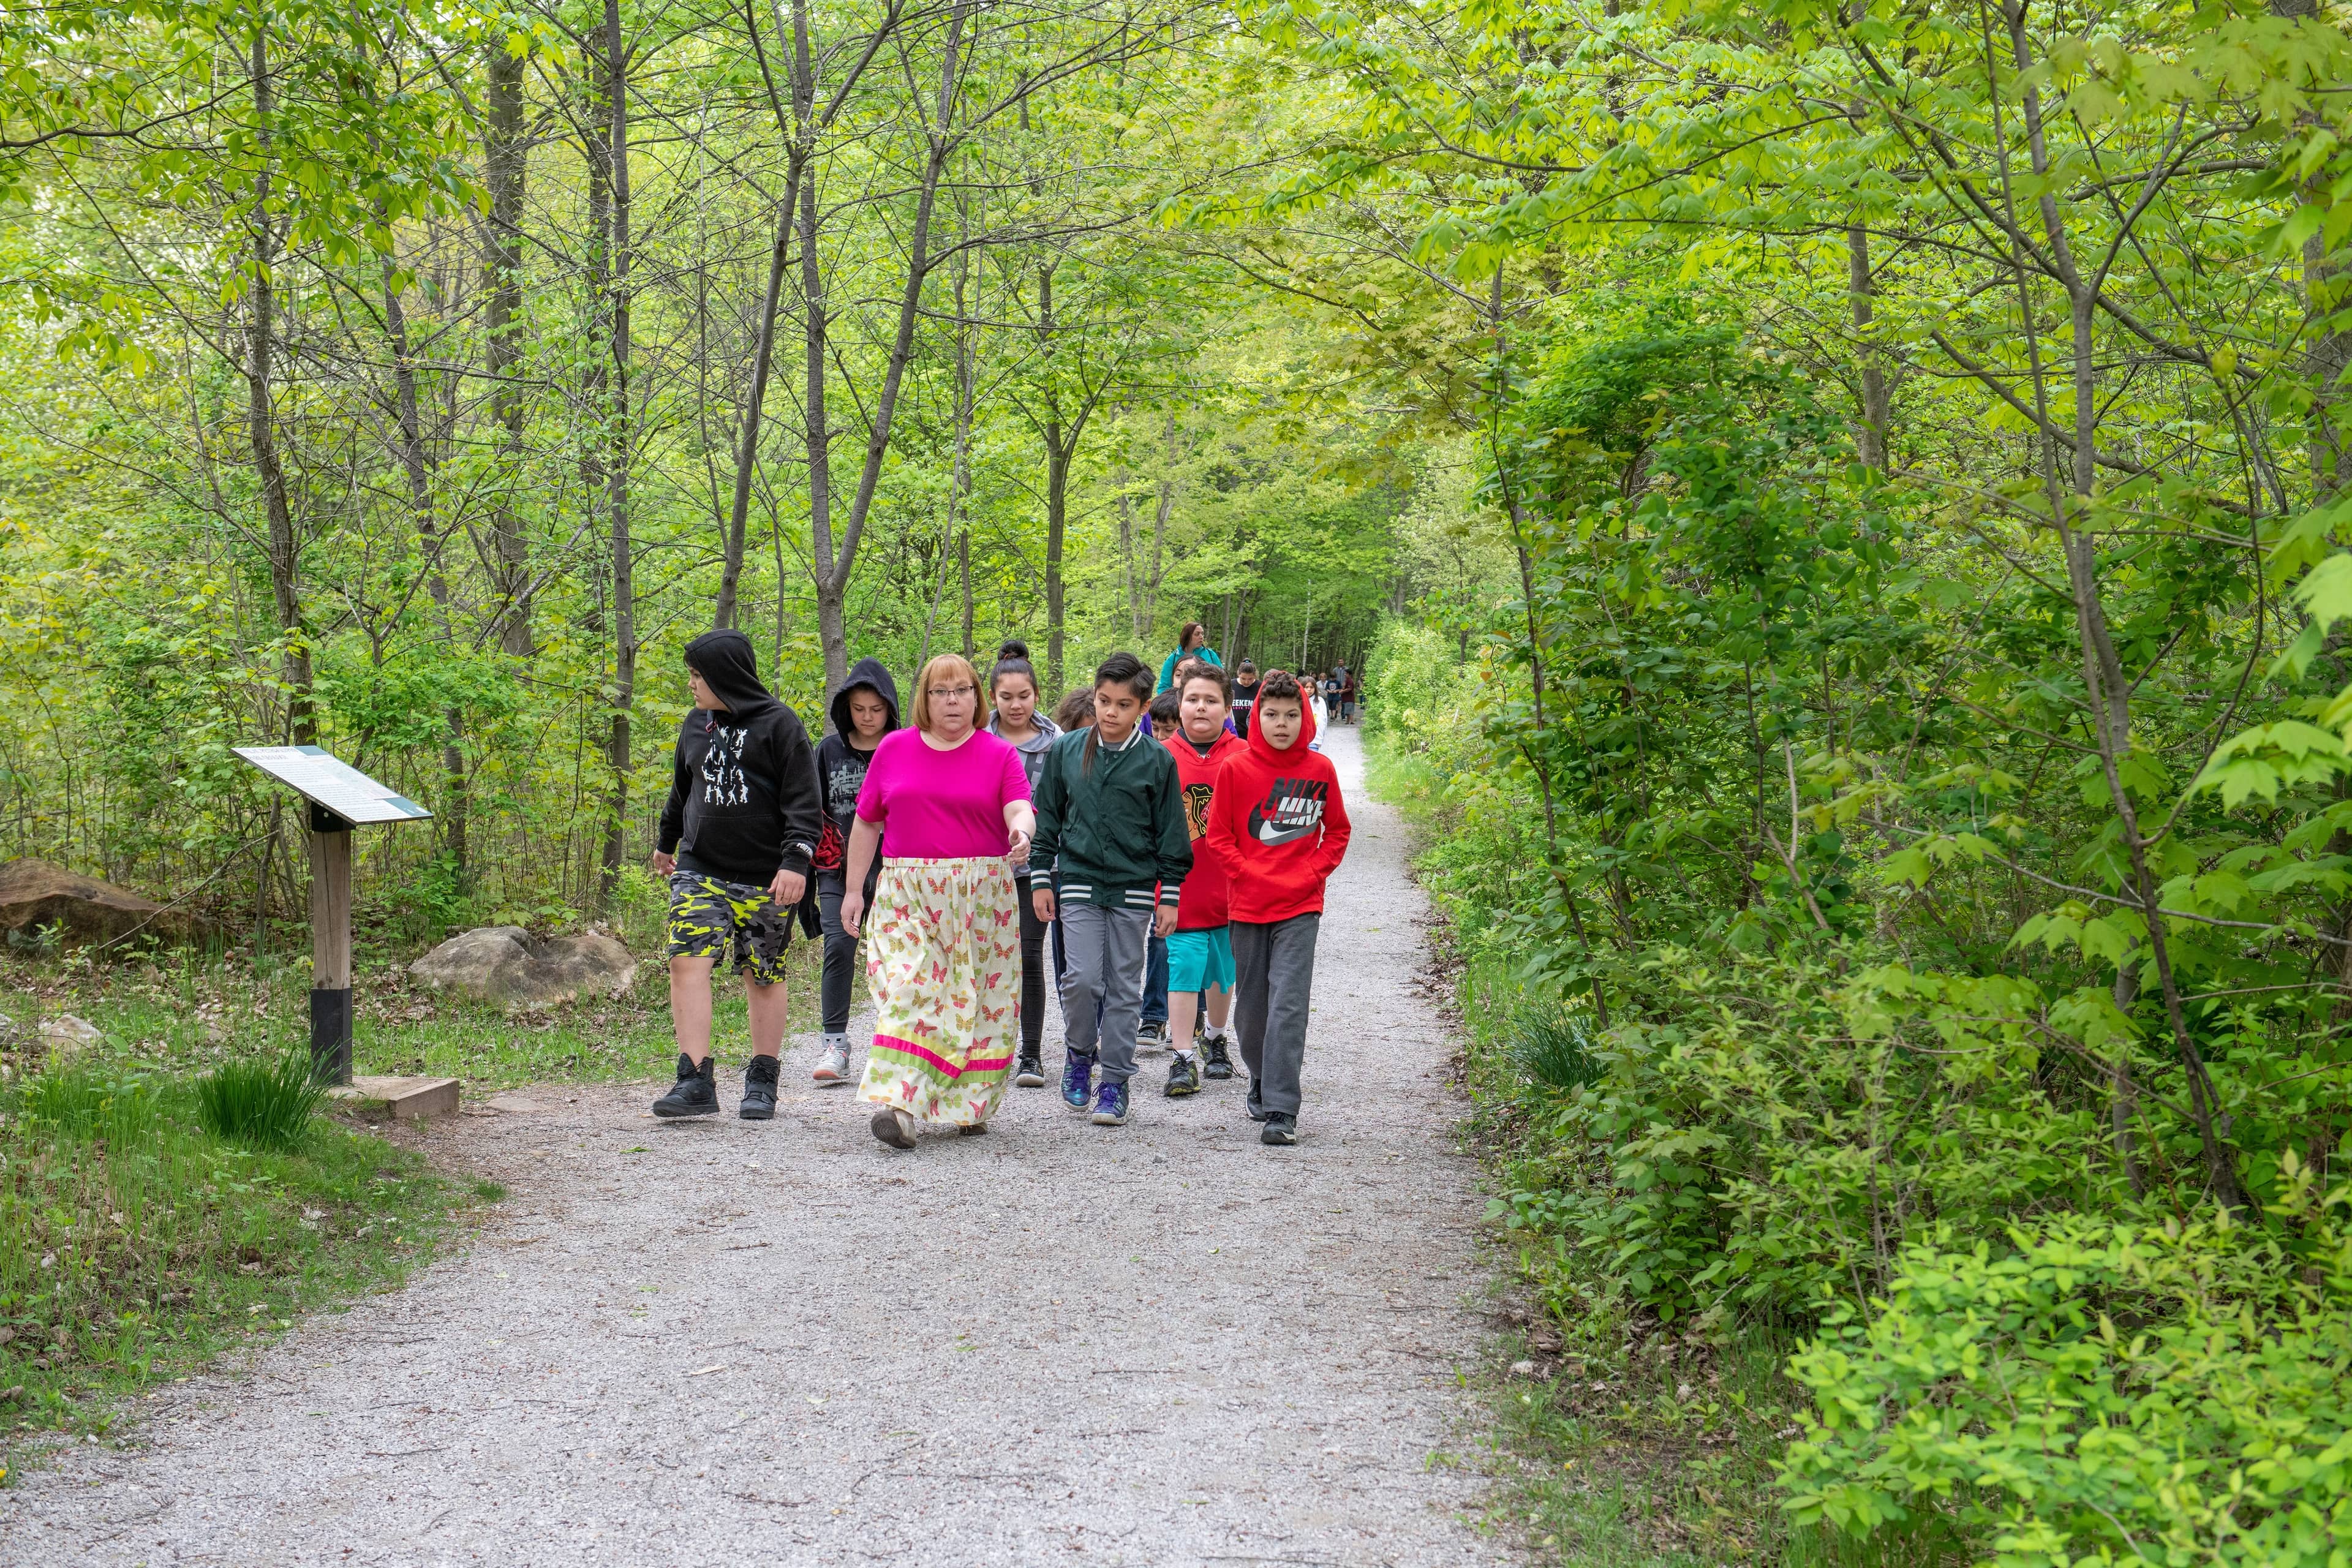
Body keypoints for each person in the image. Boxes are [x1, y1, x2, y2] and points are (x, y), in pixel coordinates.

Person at [839, 654, 1035, 1149]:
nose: (952, 701)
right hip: (907, 892)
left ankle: (968, 1103)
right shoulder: (893, 749)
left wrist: (1020, 832)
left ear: (977, 698)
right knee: (911, 987)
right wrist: (851, 890)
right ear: (923, 700)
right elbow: (867, 822)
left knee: (981, 999)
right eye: (940, 692)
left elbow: (1019, 805)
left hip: (981, 894)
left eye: (962, 691)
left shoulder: (998, 754)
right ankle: (900, 1104)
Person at [649, 630, 824, 1121]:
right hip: (700, 867)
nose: (692, 685)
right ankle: (694, 1079)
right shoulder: (694, 724)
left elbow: (804, 804)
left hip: (767, 876)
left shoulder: (781, 725)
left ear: (725, 677)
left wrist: (796, 862)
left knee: (762, 973)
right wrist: (668, 842)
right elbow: (682, 790)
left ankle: (763, 1077)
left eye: (698, 676)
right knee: (687, 960)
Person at [1028, 652, 1191, 1128]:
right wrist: (1041, 877)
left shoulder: (1157, 761)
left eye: (1123, 704)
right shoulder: (1067, 751)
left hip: (1134, 888)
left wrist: (1171, 893)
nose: (1110, 712)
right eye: (1103, 701)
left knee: (1122, 987)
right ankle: (1080, 1054)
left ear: (1141, 709)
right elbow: (1049, 820)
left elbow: (1172, 834)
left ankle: (1115, 1081)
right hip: (1076, 881)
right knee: (1080, 980)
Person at [1203, 670, 1351, 1146]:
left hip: (1301, 906)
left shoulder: (1319, 771)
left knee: (1288, 1005)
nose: (1281, 724)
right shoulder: (1236, 769)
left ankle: (1282, 1109)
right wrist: (1247, 874)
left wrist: (1312, 874)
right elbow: (1219, 837)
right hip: (1247, 906)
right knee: (1252, 1011)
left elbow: (1339, 832)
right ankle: (1261, 1077)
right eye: (1271, 714)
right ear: (1256, 716)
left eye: (1291, 715)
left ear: (1304, 717)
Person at [808, 658, 900, 1084]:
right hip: (835, 869)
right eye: (859, 709)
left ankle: (896, 1042)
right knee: (840, 946)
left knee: (897, 957)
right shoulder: (827, 751)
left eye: (876, 710)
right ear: (847, 708)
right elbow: (810, 809)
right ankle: (835, 1045)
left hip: (895, 870)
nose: (867, 717)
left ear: (890, 709)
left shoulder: (902, 746)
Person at [1159, 658, 1246, 1095]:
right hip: (1179, 888)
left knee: (1222, 971)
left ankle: (1214, 1037)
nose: (1200, 708)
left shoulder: (1244, 755)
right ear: (1179, 704)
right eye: (1192, 699)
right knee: (1183, 966)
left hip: (1231, 887)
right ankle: (1181, 1056)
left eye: (1211, 701)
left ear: (1227, 708)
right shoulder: (1161, 757)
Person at [986, 641, 1061, 1088]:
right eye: (1006, 697)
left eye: (1024, 696)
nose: (1016, 705)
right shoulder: (977, 741)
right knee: (985, 959)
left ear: (1037, 694)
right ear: (992, 697)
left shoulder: (1058, 745)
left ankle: (1030, 1056)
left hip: (1039, 868)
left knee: (1029, 956)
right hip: (982, 865)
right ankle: (985, 1051)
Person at [1136, 688, 1184, 1047]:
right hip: (1152, 862)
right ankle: (1153, 1016)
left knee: (1190, 944)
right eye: (1159, 729)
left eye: (1172, 729)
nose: (1164, 737)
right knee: (1160, 939)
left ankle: (1193, 1019)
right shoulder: (1148, 757)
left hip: (1189, 863)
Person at [1156, 621, 1222, 695]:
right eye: (1197, 634)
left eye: (1202, 634)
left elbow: (1222, 679)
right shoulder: (1173, 658)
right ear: (1187, 636)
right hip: (1178, 701)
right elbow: (1164, 686)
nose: (1201, 637)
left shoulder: (1211, 655)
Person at [1230, 660, 1260, 740]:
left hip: (1253, 732)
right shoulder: (1231, 685)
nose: (1247, 682)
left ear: (1255, 676)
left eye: (1250, 679)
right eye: (1243, 678)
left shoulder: (1260, 687)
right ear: (1238, 674)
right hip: (1234, 731)